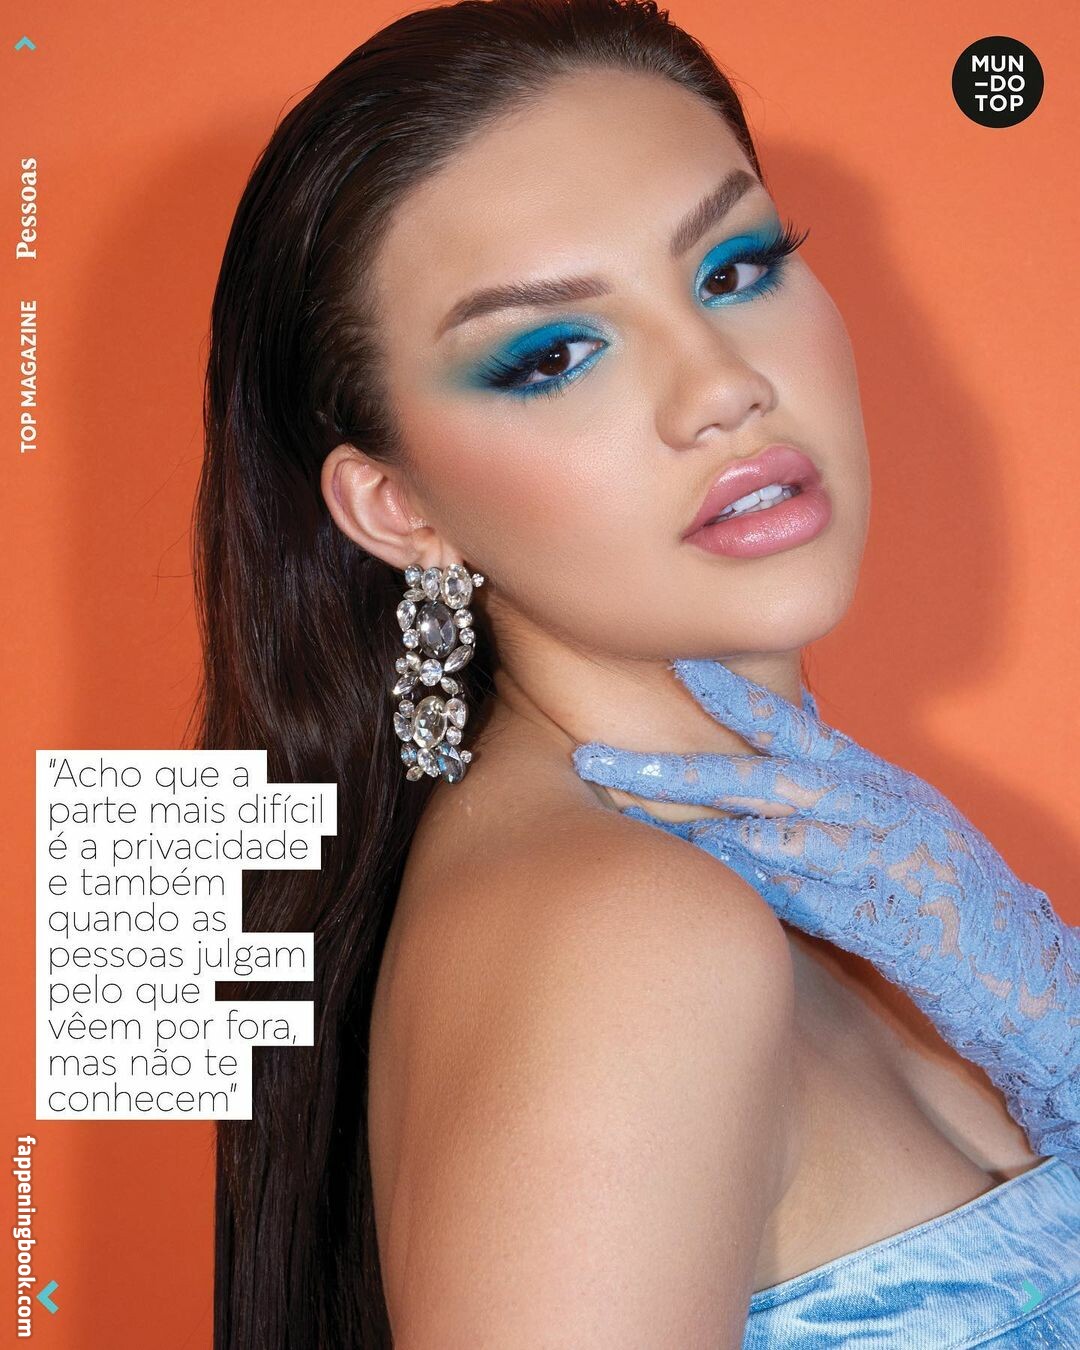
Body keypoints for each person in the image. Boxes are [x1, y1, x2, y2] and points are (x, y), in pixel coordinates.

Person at [193, 0, 1080, 1345]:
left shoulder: (814, 888)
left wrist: (1045, 1014)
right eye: (553, 355)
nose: (720, 386)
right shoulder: (631, 938)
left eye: (734, 267)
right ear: (397, 507)